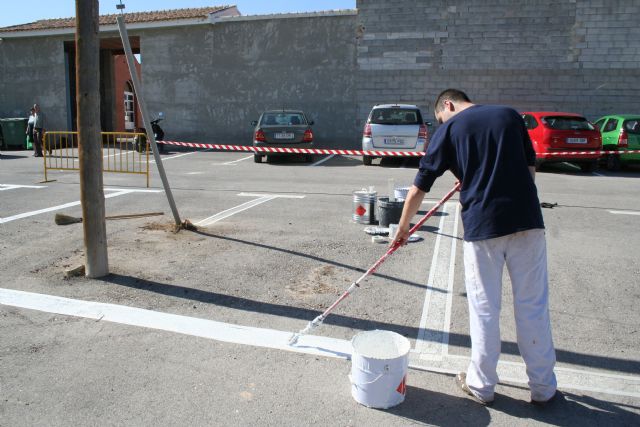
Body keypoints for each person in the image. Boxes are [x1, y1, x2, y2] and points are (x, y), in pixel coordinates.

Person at [391, 89, 557, 406]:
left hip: (484, 226)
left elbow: (419, 185)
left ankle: (482, 386)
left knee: (484, 309)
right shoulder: (510, 115)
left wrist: (403, 227)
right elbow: (529, 169)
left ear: (448, 105)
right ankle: (543, 388)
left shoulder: (450, 129)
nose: (442, 121)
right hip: (528, 221)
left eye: (441, 116)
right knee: (533, 306)